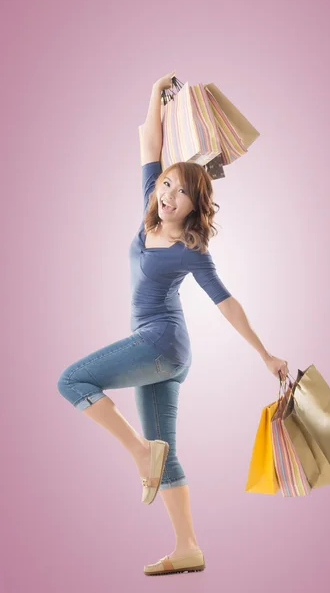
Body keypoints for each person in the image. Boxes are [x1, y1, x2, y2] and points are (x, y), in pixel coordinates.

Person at [57, 70, 289, 577]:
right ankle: (188, 547)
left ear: (194, 206)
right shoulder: (148, 204)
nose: (167, 195)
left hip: (162, 345)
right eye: (166, 184)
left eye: (180, 193)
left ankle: (141, 453)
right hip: (162, 351)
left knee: (72, 380)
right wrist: (155, 94)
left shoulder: (191, 250)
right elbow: (148, 137)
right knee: (170, 452)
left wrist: (264, 354)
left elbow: (226, 303)